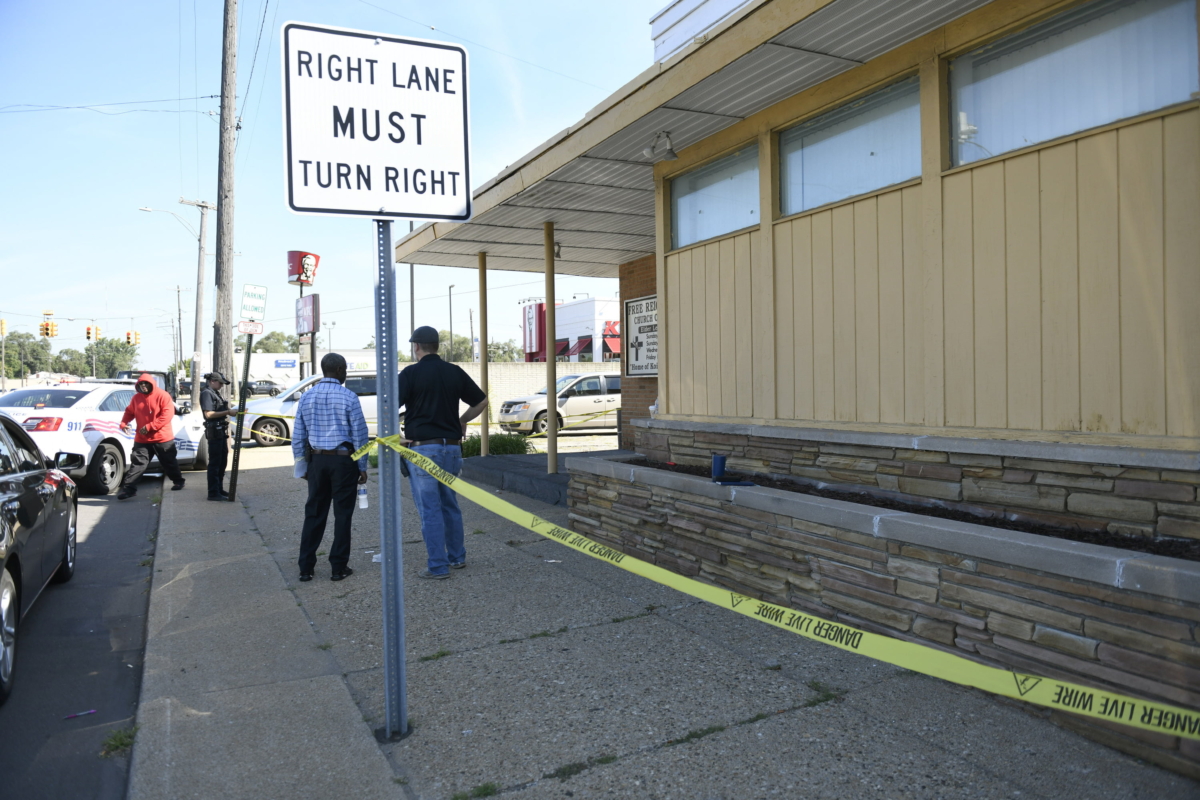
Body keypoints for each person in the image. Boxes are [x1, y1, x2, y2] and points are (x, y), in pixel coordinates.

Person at [398, 326, 488, 580]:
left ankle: (437, 567)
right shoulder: (454, 372)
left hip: (423, 450)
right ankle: (457, 557)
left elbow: (387, 406)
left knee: (430, 509)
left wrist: (397, 437)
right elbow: (481, 401)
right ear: (437, 346)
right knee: (449, 504)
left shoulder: (410, 373)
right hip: (451, 449)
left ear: (416, 346)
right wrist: (461, 421)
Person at [292, 353, 369, 582]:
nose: (345, 373)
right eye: (344, 369)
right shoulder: (349, 397)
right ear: (337, 370)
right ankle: (338, 567)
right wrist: (362, 466)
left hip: (317, 461)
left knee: (314, 512)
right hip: (344, 462)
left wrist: (301, 466)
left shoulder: (307, 397)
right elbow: (360, 435)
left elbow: (298, 435)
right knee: (342, 514)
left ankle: (306, 568)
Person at [117, 373, 185, 499]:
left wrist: (149, 427)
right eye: (140, 384)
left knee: (169, 462)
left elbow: (167, 415)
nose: (143, 386)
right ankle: (129, 490)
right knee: (138, 464)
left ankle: (178, 481)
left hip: (162, 438)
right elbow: (129, 412)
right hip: (142, 439)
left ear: (152, 384)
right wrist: (123, 423)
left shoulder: (163, 395)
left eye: (145, 384)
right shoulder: (136, 398)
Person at [199, 372, 236, 501]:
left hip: (220, 431)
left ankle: (219, 489)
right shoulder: (206, 394)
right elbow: (208, 414)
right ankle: (213, 492)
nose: (221, 385)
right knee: (215, 463)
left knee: (222, 462)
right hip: (214, 431)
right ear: (212, 381)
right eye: (220, 383)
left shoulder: (215, 393)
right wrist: (228, 412)